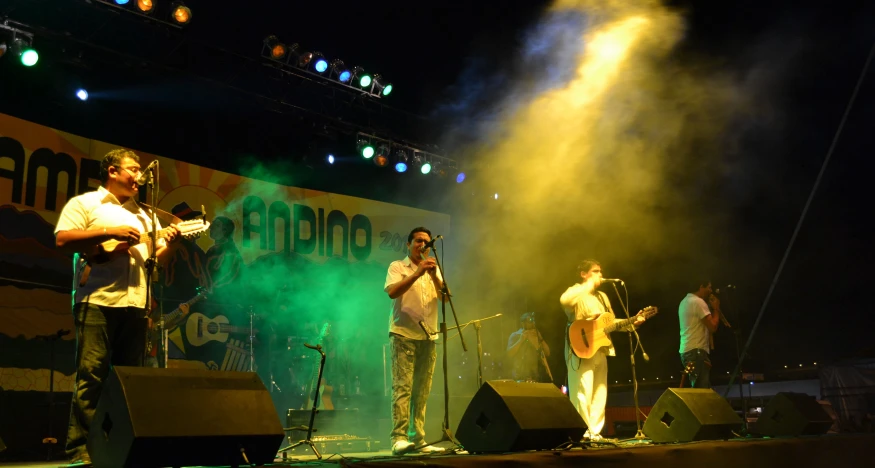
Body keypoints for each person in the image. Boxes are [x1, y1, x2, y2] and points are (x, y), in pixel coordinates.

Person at [55, 149, 180, 466]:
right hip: (97, 302)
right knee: (91, 377)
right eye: (134, 169)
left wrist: (172, 243)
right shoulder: (85, 204)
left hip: (136, 306)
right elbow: (63, 240)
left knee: (131, 381)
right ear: (112, 171)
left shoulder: (146, 215)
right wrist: (110, 232)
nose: (140, 176)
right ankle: (78, 449)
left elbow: (155, 261)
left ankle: (127, 447)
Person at [559, 259, 644, 442]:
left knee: (600, 391)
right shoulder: (576, 291)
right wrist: (589, 285)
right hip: (580, 347)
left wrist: (632, 322)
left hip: (601, 347)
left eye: (600, 271)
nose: (600, 275)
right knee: (583, 391)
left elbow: (609, 323)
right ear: (584, 274)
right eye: (596, 271)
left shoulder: (602, 297)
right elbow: (564, 300)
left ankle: (595, 433)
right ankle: (583, 433)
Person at [383, 227, 446, 455]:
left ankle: (418, 439)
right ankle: (398, 439)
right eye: (418, 241)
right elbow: (392, 292)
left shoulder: (432, 269)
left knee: (422, 391)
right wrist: (418, 273)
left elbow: (446, 298)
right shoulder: (397, 267)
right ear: (408, 245)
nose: (423, 246)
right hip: (403, 335)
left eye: (426, 243)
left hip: (428, 336)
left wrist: (433, 277)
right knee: (403, 388)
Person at [678, 280, 722, 388]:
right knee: (702, 392)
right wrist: (716, 308)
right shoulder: (698, 302)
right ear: (701, 286)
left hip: (687, 350)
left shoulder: (684, 302)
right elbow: (712, 327)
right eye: (709, 287)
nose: (711, 291)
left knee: (701, 389)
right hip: (696, 351)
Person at [506, 312, 551, 382]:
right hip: (519, 376)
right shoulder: (515, 335)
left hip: (535, 376)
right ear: (523, 323)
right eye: (529, 321)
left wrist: (540, 338)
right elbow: (509, 354)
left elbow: (547, 353)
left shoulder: (536, 335)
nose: (532, 323)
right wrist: (521, 340)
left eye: (533, 321)